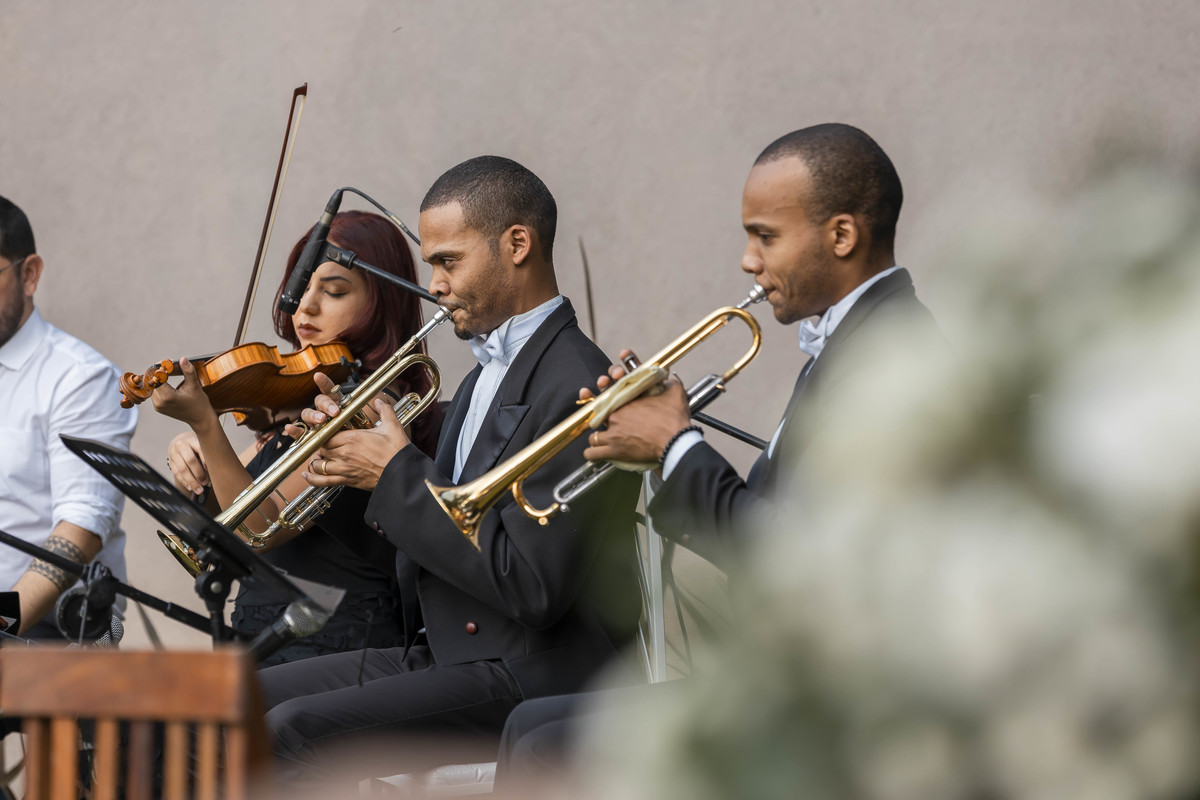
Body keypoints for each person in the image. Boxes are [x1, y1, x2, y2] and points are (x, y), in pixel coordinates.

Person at [496, 123, 942, 784]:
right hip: (789, 670)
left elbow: (785, 555)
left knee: (544, 742)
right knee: (530, 727)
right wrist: (656, 442)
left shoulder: (889, 355)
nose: (747, 261)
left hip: (840, 703)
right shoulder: (852, 341)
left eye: (765, 236)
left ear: (841, 236)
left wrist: (676, 444)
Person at [256, 156, 641, 785]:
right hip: (447, 648)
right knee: (237, 698)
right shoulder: (481, 377)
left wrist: (396, 473)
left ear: (518, 244)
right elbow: (438, 537)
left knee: (292, 730)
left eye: (448, 262)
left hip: (532, 665)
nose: (433, 284)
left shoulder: (577, 382)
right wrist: (354, 464)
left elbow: (533, 588)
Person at [153, 210, 443, 666]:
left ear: (380, 303)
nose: (305, 306)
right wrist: (192, 459)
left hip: (333, 646)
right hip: (272, 633)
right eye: (301, 287)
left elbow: (256, 526)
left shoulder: (370, 404)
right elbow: (221, 515)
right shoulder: (301, 395)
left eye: (334, 292)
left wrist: (207, 427)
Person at [0, 195, 137, 639]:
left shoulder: (80, 378)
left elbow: (80, 530)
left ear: (29, 273)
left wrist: (2, 625)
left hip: (51, 625)